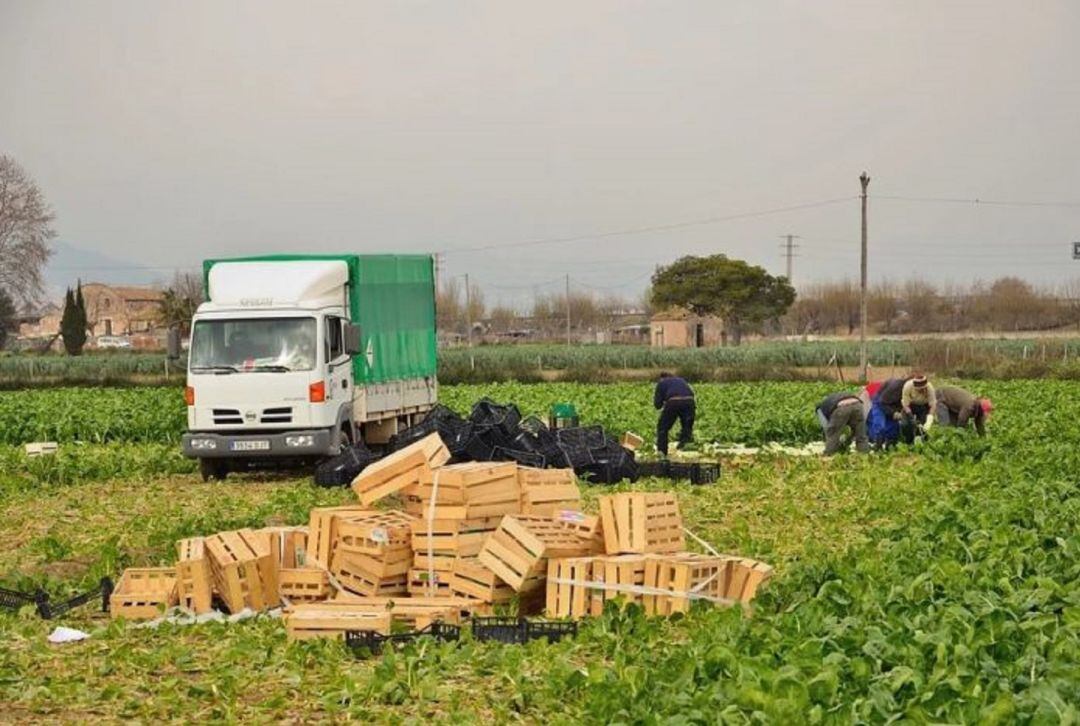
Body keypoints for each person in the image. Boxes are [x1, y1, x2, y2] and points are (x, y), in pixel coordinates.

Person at [653, 372, 695, 456]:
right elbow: (690, 392)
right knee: (687, 426)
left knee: (662, 428)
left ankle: (662, 452)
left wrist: (664, 403)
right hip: (690, 401)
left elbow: (657, 405)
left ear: (662, 378)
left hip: (674, 401)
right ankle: (685, 447)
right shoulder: (681, 380)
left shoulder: (661, 383)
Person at [900, 371, 937, 443]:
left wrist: (930, 419)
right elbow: (905, 404)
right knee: (906, 425)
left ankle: (922, 441)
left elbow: (933, 405)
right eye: (919, 389)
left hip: (924, 406)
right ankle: (908, 442)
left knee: (923, 427)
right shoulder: (907, 386)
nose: (921, 390)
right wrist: (910, 416)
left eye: (923, 388)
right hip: (911, 405)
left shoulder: (930, 388)